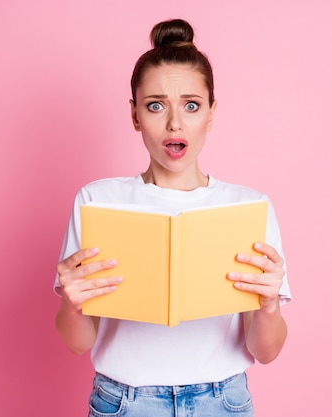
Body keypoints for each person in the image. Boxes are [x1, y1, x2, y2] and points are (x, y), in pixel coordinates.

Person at [54, 18, 291, 417]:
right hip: (124, 401)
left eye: (192, 106)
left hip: (222, 402)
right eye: (156, 105)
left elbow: (265, 352)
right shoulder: (97, 201)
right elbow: (77, 343)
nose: (175, 123)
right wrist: (73, 307)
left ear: (211, 114)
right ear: (134, 115)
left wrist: (268, 306)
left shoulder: (248, 208)